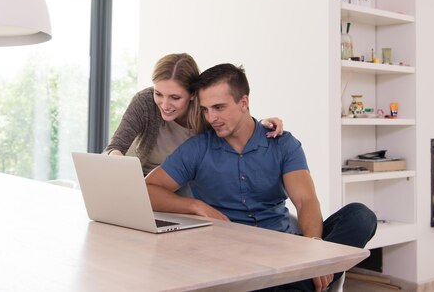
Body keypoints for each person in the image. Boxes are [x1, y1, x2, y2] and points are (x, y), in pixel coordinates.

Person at [146, 63, 377, 292]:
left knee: (360, 215)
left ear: (243, 102)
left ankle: (304, 277)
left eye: (218, 107)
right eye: (205, 109)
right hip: (231, 259)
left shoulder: (282, 143)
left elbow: (306, 201)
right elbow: (148, 189)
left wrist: (315, 253)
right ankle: (301, 285)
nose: (211, 117)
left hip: (286, 250)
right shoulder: (197, 148)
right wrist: (195, 206)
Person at [103, 53, 284, 175]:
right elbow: (113, 147)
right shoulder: (144, 102)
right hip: (139, 181)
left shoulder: (205, 112)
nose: (164, 105)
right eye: (158, 94)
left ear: (192, 95)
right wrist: (120, 165)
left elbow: (233, 122)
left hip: (182, 186)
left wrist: (261, 124)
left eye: (175, 97)